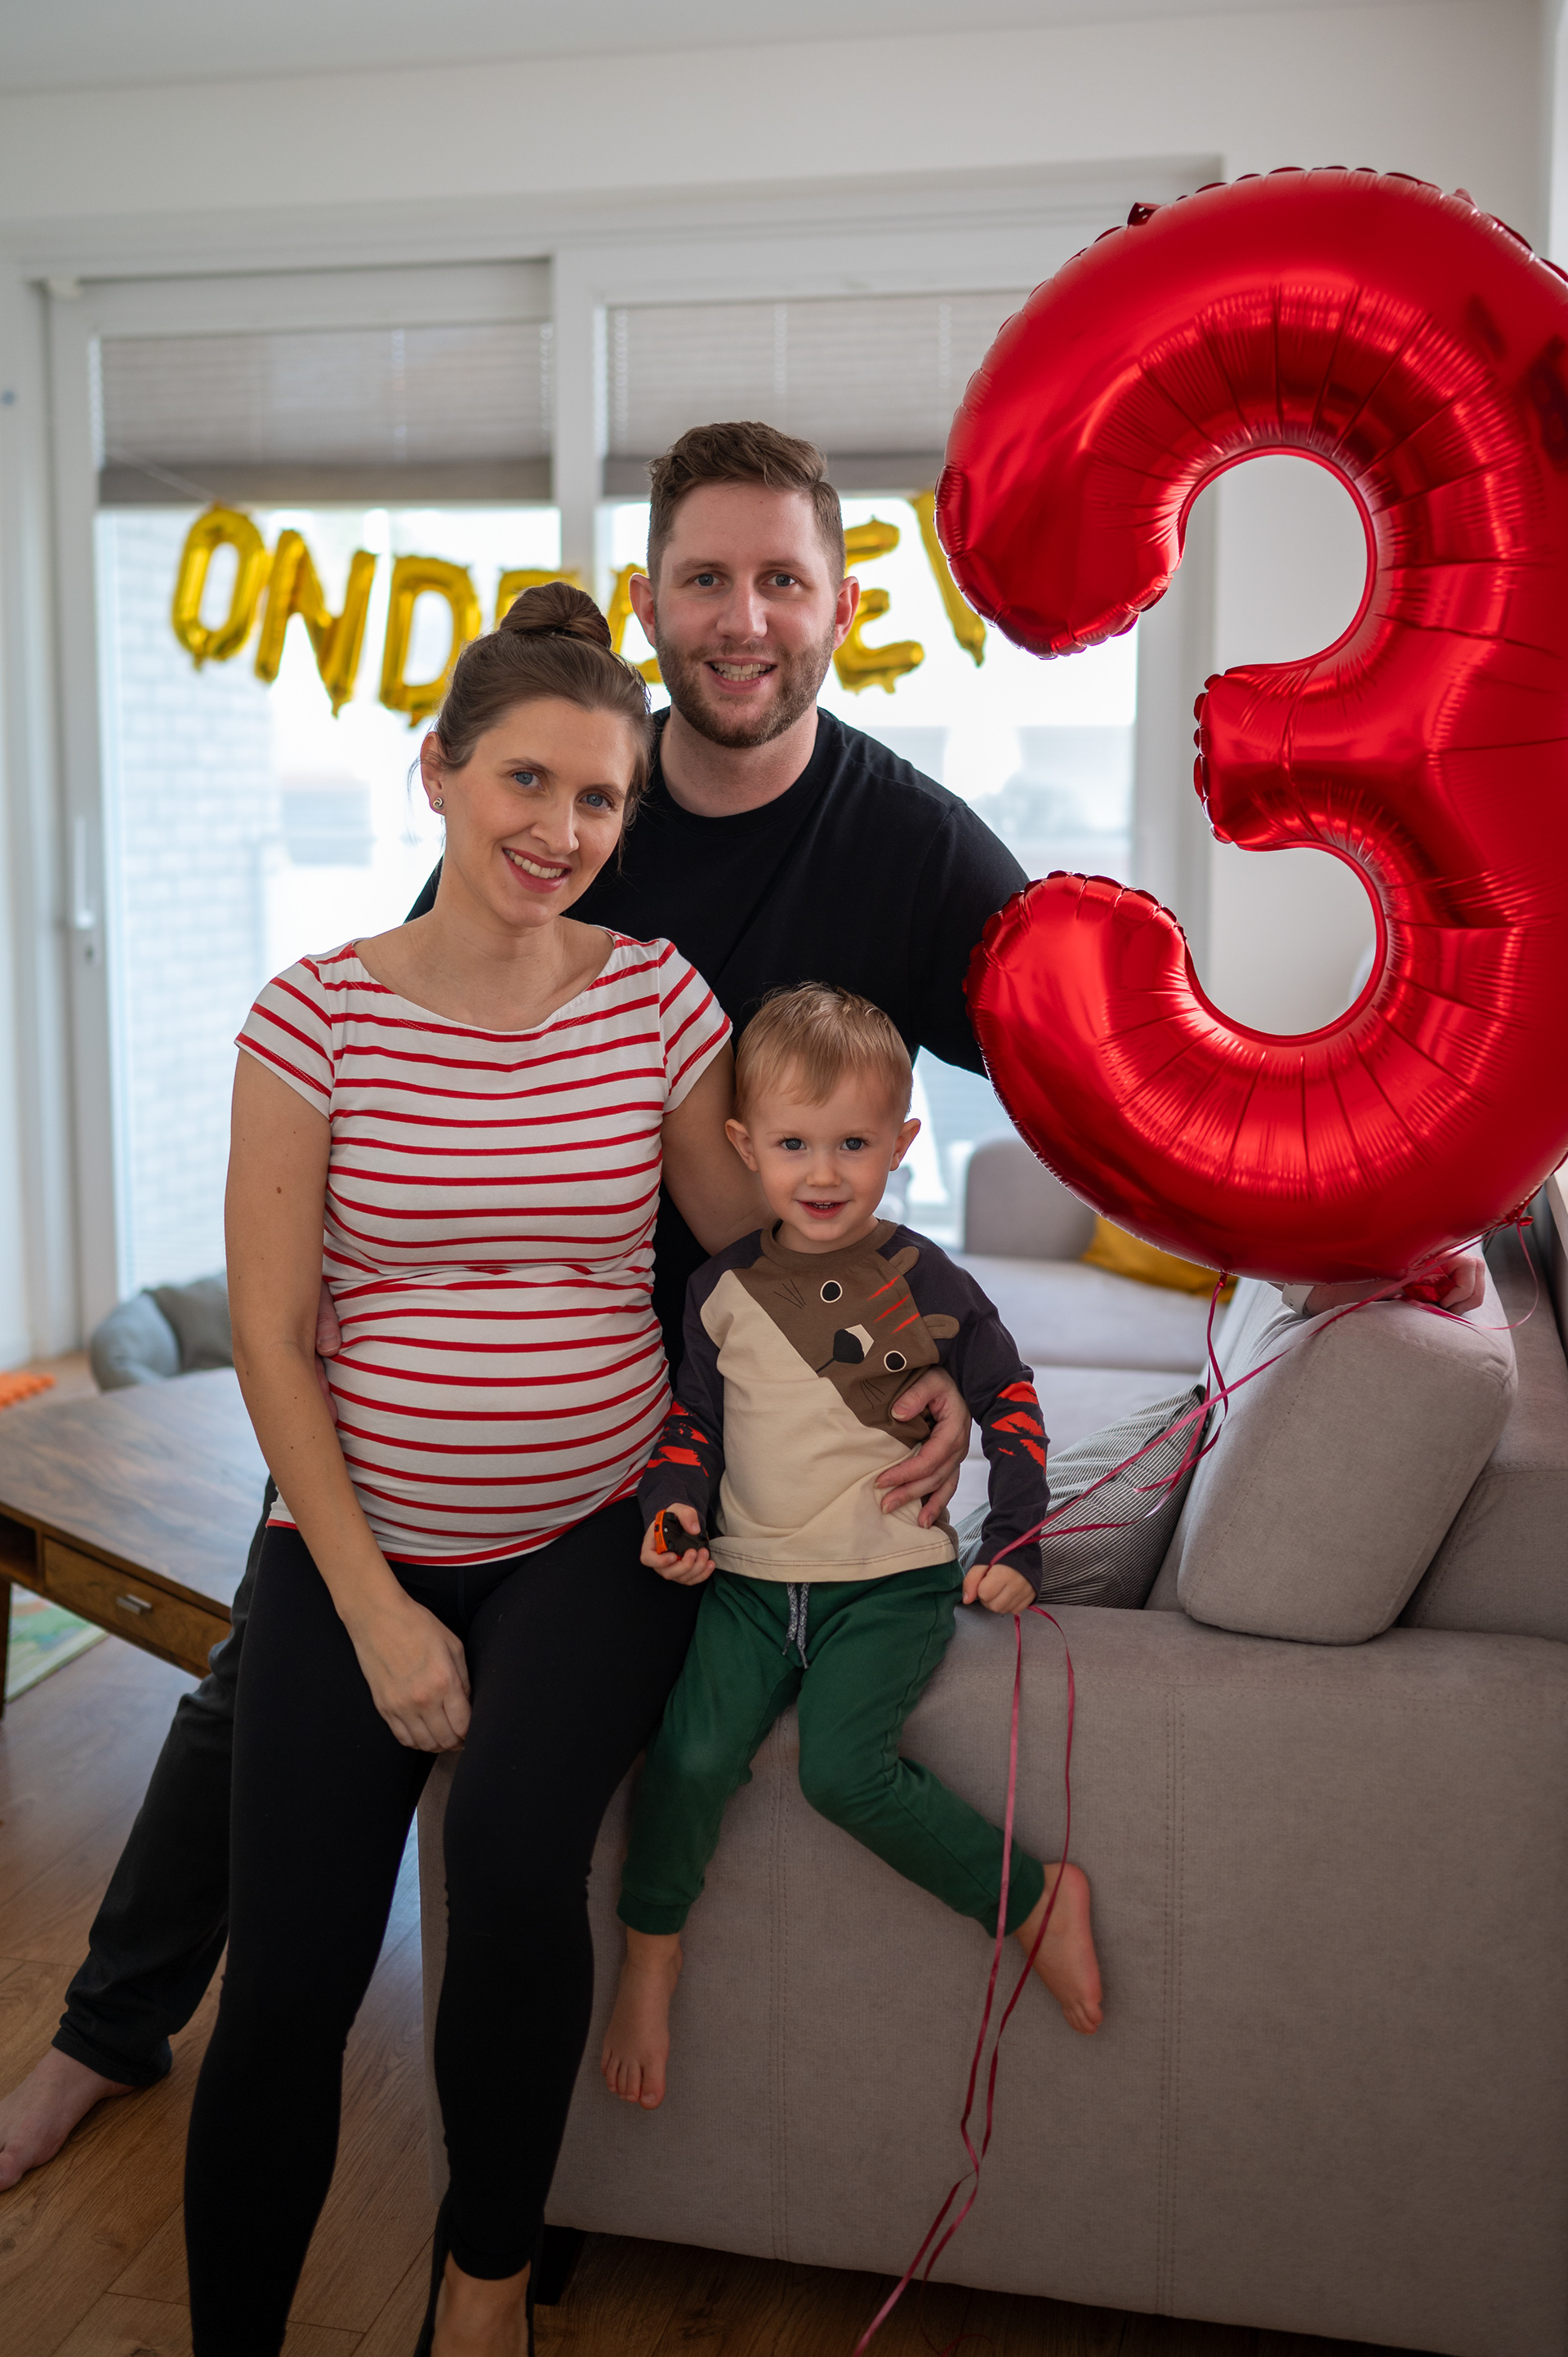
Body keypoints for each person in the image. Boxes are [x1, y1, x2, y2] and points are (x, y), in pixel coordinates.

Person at [0, 419, 1484, 2187]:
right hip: (459, 1347)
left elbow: (1108, 1083)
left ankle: (488, 2202)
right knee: (265, 1672)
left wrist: (1340, 1222)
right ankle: (106, 2031)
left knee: (518, 1795)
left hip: (719, 1372)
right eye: (705, 578)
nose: (743, 618)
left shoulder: (913, 850)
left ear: (843, 607)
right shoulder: (561, 792)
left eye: (783, 578)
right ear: (648, 602)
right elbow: (396, 1061)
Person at [183, 582, 763, 2357]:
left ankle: (487, 2283)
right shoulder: (313, 1020)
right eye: (526, 781)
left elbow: (765, 1245)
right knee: (288, 1975)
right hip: (353, 1543)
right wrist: (374, 1613)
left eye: (599, 799)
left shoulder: (656, 1000)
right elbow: (271, 1336)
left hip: (592, 1532)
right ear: (434, 774)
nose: (561, 831)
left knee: (513, 1861)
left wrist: (938, 1378)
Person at [600, 986, 1102, 2114]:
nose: (822, 1173)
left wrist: (1016, 1540)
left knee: (842, 1771)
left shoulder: (932, 1284)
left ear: (902, 1143)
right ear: (744, 1146)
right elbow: (692, 1425)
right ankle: (651, 1954)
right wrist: (671, 1512)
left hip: (886, 1588)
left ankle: (1030, 1898)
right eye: (793, 1145)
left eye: (853, 1145)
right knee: (687, 1760)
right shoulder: (718, 1291)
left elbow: (1010, 1400)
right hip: (745, 1587)